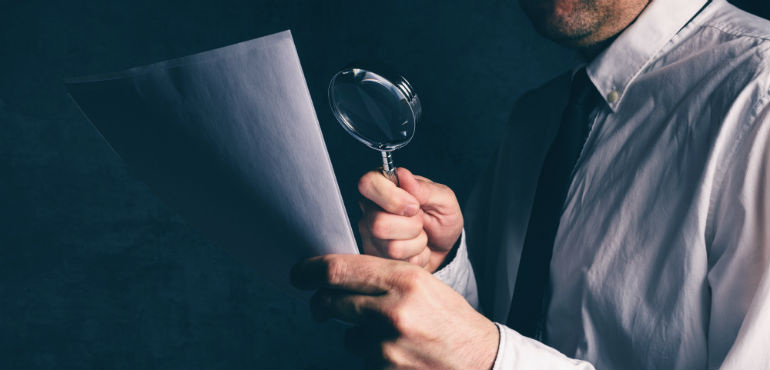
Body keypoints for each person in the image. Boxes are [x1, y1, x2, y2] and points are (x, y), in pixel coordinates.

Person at [291, 0, 770, 368]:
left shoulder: (760, 99)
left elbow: (490, 350)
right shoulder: (536, 120)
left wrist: (486, 357)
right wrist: (442, 267)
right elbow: (507, 324)